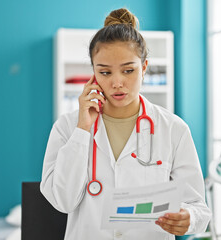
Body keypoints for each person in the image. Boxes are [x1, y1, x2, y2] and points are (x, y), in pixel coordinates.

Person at [40, 8, 211, 240]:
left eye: (128, 70)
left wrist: (189, 218)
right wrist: (82, 131)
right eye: (105, 72)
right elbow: (62, 201)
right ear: (93, 74)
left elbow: (198, 207)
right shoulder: (67, 127)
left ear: (144, 68)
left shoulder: (173, 129)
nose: (117, 83)